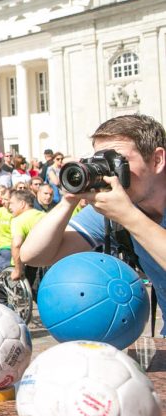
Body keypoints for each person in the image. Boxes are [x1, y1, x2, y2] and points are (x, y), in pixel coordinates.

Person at [20, 114, 166, 330]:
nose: (110, 173)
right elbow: (34, 255)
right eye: (101, 161)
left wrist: (128, 216)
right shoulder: (119, 209)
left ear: (157, 160)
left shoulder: (125, 211)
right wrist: (68, 201)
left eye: (118, 161)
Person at [7, 189, 44, 282]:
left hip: (30, 267)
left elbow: (17, 244)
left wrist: (17, 270)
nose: (9, 206)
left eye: (11, 203)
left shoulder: (18, 220)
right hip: (49, 263)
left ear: (22, 204)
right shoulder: (46, 215)